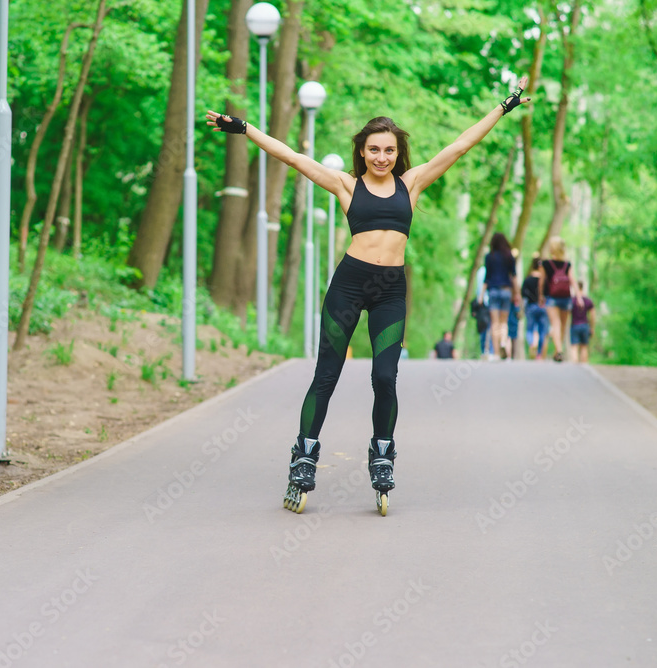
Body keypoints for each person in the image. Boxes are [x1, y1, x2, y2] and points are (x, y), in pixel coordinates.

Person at [208, 76, 532, 515]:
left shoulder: (411, 184)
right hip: (349, 285)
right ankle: (304, 456)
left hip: (390, 291)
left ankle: (382, 453)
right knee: (327, 375)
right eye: (374, 149)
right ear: (362, 151)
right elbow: (292, 157)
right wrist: (245, 128)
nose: (382, 157)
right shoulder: (345, 185)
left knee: (384, 377)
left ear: (399, 154)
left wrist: (504, 106)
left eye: (389, 150)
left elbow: (460, 146)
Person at [538, 236, 581, 363]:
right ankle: (558, 350)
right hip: (566, 298)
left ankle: (559, 350)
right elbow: (573, 281)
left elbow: (541, 282)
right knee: (563, 325)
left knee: (555, 324)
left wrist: (540, 296)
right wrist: (579, 297)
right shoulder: (567, 264)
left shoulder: (546, 264)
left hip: (552, 298)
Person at [482, 232, 520, 360]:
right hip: (506, 291)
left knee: (495, 323)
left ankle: (497, 353)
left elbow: (486, 278)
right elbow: (514, 276)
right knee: (504, 322)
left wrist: (481, 295)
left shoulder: (489, 257)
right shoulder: (509, 257)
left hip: (493, 291)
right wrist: (517, 294)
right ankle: (503, 343)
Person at [521, 255, 549, 360]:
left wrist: (522, 309)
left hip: (531, 307)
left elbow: (523, 295)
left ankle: (532, 343)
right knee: (542, 331)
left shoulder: (528, 280)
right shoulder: (545, 280)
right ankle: (539, 354)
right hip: (543, 307)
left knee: (529, 329)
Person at [570, 281, 595, 363]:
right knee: (584, 346)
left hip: (574, 325)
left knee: (574, 346)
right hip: (585, 325)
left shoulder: (572, 301)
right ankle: (584, 365)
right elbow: (592, 316)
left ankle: (575, 364)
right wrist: (592, 327)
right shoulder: (588, 301)